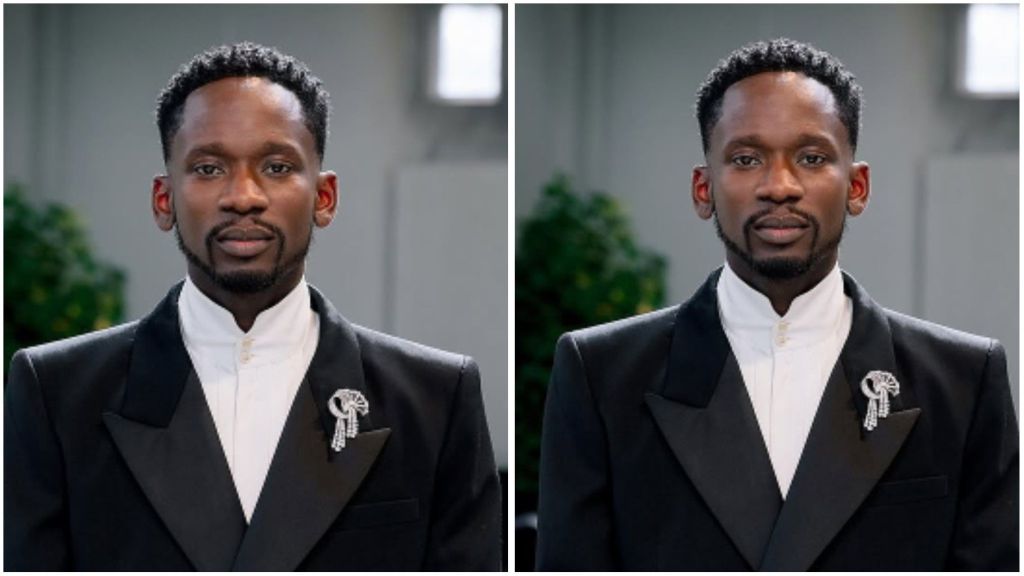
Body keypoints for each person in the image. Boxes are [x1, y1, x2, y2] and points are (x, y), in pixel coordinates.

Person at [5, 42, 501, 571]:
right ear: (164, 200)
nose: (243, 195)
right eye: (209, 168)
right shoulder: (57, 393)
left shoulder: (434, 399)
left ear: (325, 197)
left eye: (277, 165)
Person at [536, 38, 1017, 571]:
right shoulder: (602, 375)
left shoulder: (963, 381)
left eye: (811, 158)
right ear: (704, 189)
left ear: (857, 186)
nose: (780, 185)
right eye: (746, 159)